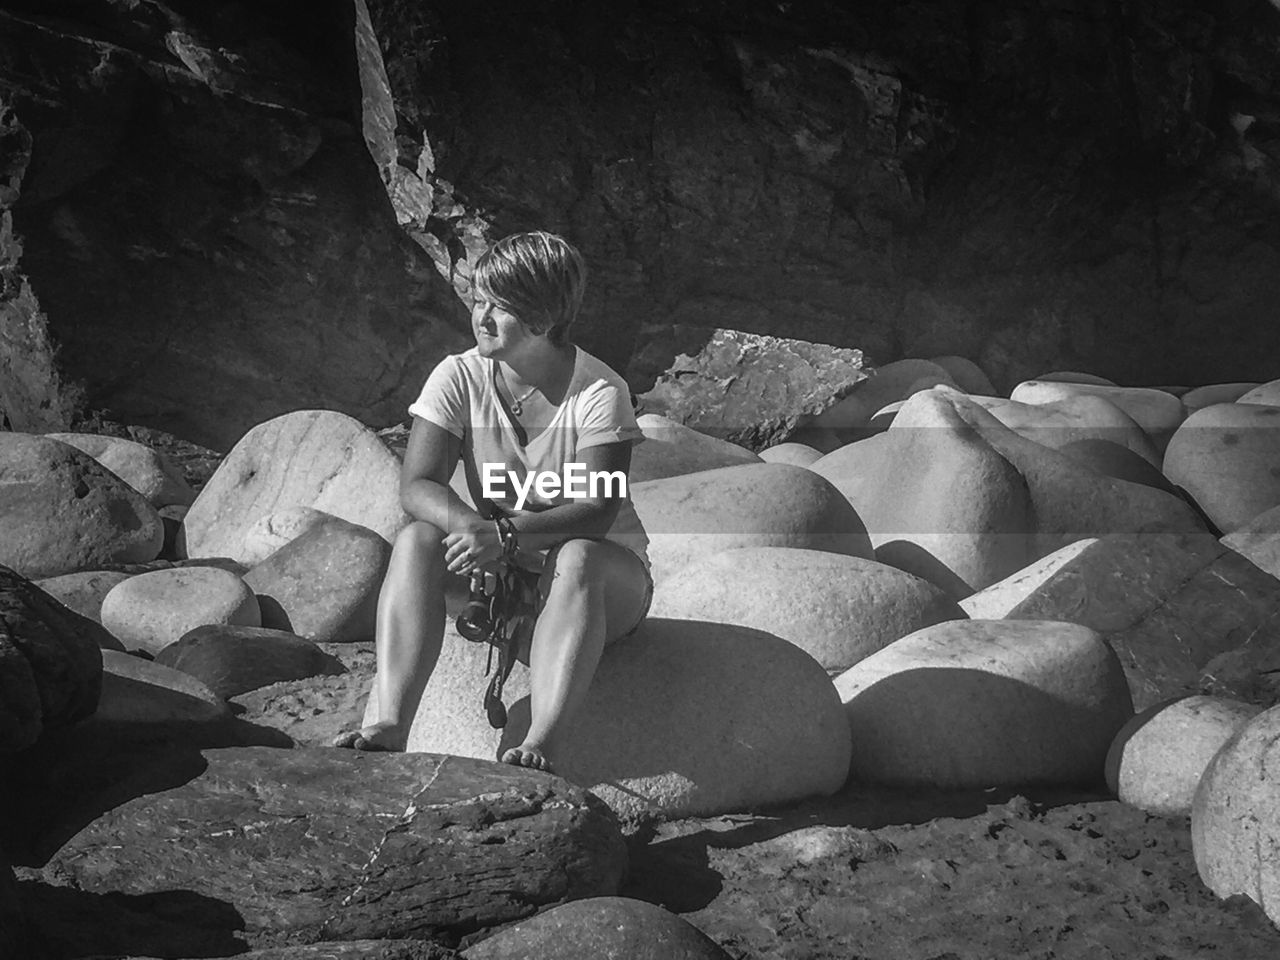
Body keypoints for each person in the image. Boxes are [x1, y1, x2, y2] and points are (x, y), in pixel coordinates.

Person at [334, 231, 652, 773]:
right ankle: (389, 724)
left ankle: (543, 742)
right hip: (498, 574)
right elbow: (418, 485)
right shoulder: (459, 375)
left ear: (544, 317)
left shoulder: (599, 392)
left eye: (499, 307)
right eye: (479, 301)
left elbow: (596, 511)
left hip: (598, 582)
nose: (481, 317)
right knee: (417, 539)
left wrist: (504, 536)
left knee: (577, 555)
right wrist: (470, 527)